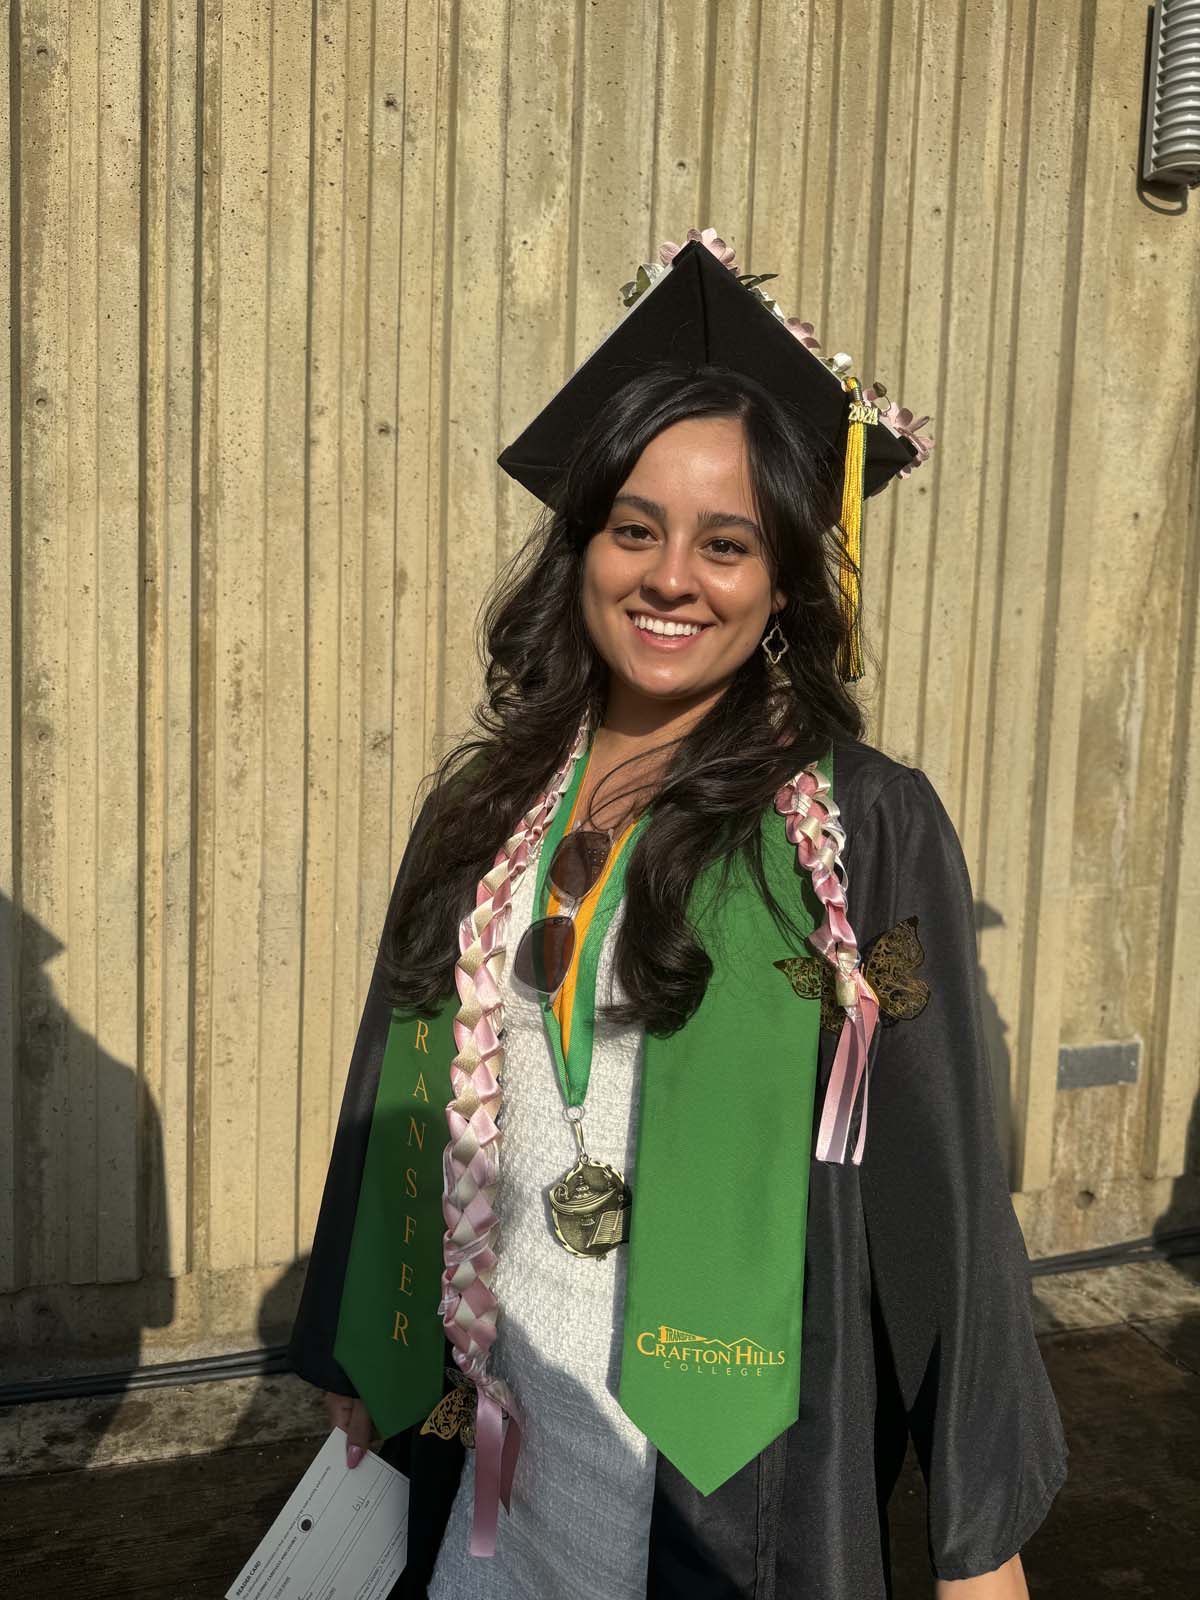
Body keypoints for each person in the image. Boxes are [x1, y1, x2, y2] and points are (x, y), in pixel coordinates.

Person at [290, 229, 1067, 1599]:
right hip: (494, 1424)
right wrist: (368, 1338)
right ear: (580, 541)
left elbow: (940, 1186)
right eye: (634, 528)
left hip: (729, 1466)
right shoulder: (485, 804)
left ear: (780, 583)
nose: (670, 579)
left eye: (726, 543)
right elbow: (395, 1071)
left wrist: (980, 1530)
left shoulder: (858, 824)